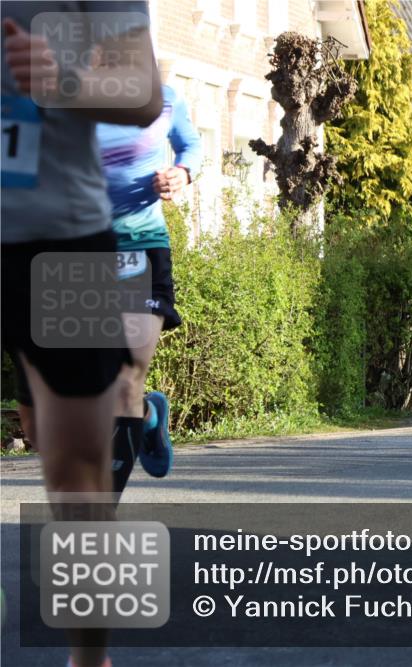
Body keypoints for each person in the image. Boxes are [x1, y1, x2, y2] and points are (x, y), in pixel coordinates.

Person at [2, 4, 162, 667]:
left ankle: (88, 661)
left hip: (62, 240)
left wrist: (59, 82)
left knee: (76, 470)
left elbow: (145, 90)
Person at [98, 84, 202, 495]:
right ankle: (148, 415)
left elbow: (191, 146)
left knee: (126, 379)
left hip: (141, 247)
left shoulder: (165, 98)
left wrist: (182, 173)